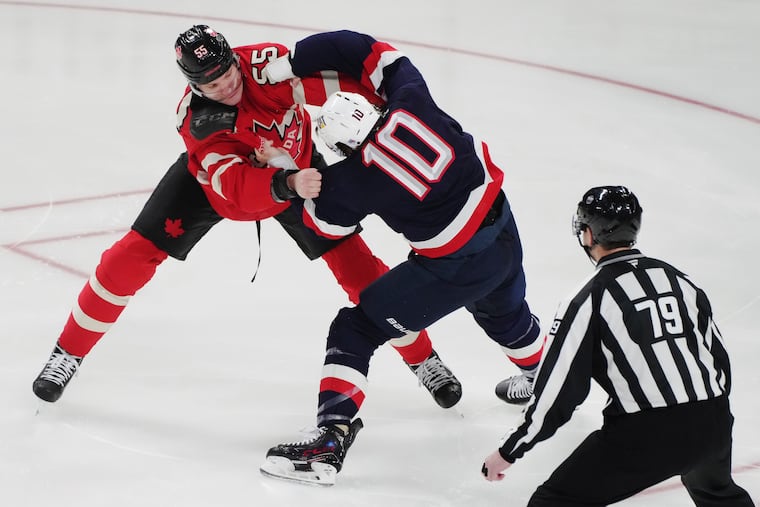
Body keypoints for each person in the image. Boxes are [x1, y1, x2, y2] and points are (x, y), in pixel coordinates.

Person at [31, 25, 463, 411]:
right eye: (211, 84)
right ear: (193, 84)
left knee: (363, 271)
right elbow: (234, 186)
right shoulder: (200, 120)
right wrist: (284, 184)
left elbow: (328, 83)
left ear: (234, 59)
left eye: (227, 74)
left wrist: (389, 99)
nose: (225, 87)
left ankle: (425, 360)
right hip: (229, 188)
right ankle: (67, 353)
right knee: (126, 260)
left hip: (297, 170)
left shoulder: (263, 66)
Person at [257, 30, 544, 486]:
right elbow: (371, 51)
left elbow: (324, 226)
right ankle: (540, 379)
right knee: (506, 315)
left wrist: (284, 170)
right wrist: (291, 61)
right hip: (502, 227)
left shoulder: (353, 176)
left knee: (355, 327)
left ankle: (329, 439)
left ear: (344, 148)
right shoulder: (412, 100)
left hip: (453, 266)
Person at [482, 186, 755, 506]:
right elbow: (716, 357)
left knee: (553, 502)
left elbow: (559, 394)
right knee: (716, 492)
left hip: (647, 434)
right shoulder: (679, 280)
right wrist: (704, 416)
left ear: (587, 235)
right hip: (714, 418)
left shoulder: (588, 299)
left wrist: (509, 450)